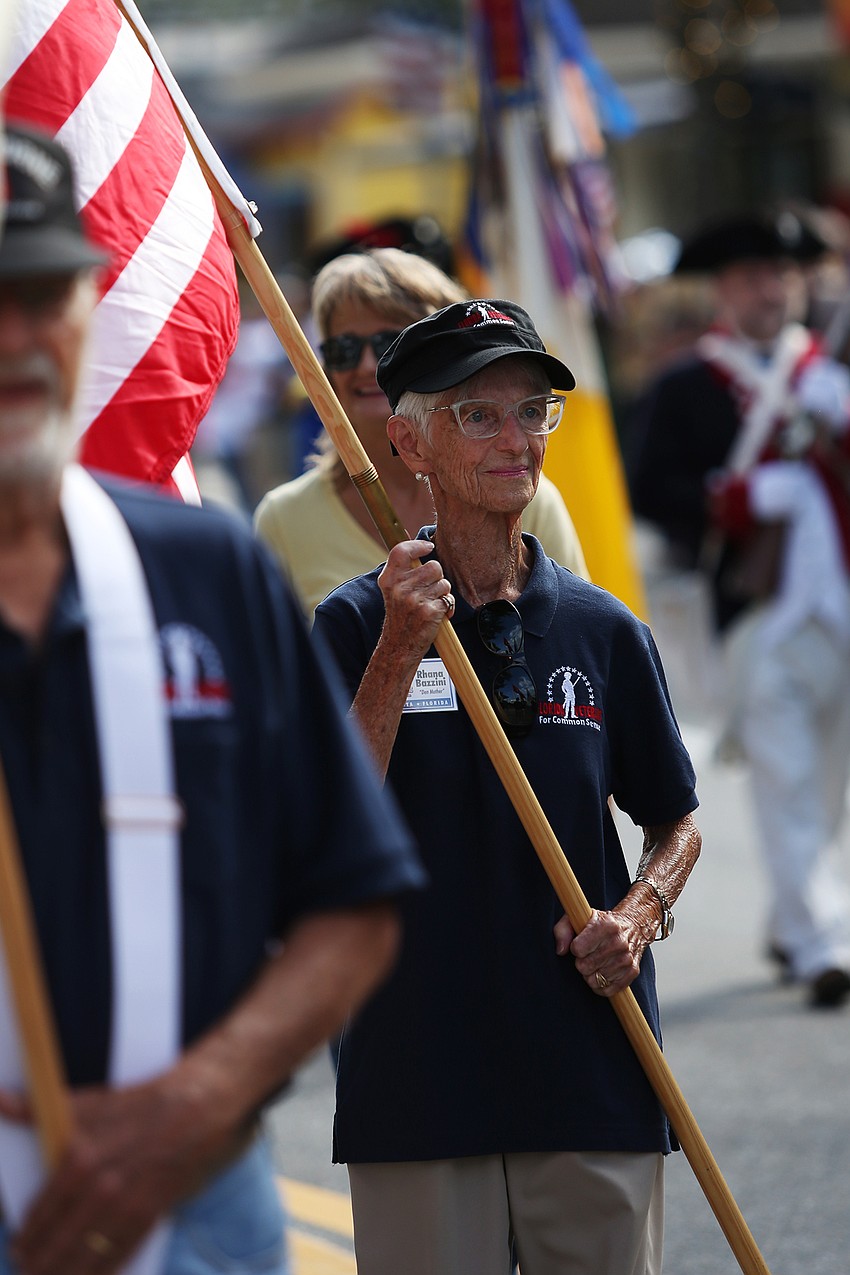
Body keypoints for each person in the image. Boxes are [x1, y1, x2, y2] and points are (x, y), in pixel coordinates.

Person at [0, 122, 424, 1275]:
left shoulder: (206, 569)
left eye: (41, 294)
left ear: (91, 308)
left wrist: (197, 1098)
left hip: (205, 1197)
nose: (16, 340)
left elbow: (354, 899)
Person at [312, 298, 702, 1275]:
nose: (515, 437)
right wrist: (400, 651)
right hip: (416, 1075)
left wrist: (640, 912)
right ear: (407, 442)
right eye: (476, 415)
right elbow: (321, 826)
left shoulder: (605, 630)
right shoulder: (355, 627)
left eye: (531, 411)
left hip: (594, 1068)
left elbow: (675, 818)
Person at [627, 213, 850, 1009]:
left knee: (830, 781)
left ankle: (799, 916)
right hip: (755, 606)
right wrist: (733, 496)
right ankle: (824, 939)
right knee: (786, 774)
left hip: (841, 602)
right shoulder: (689, 385)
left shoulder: (829, 370)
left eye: (785, 275)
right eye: (756, 275)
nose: (773, 288)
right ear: (724, 289)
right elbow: (652, 487)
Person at [254, 248, 588, 620]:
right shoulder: (283, 519)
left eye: (388, 346)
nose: (367, 365)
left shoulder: (527, 500)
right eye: (344, 349)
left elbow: (579, 643)